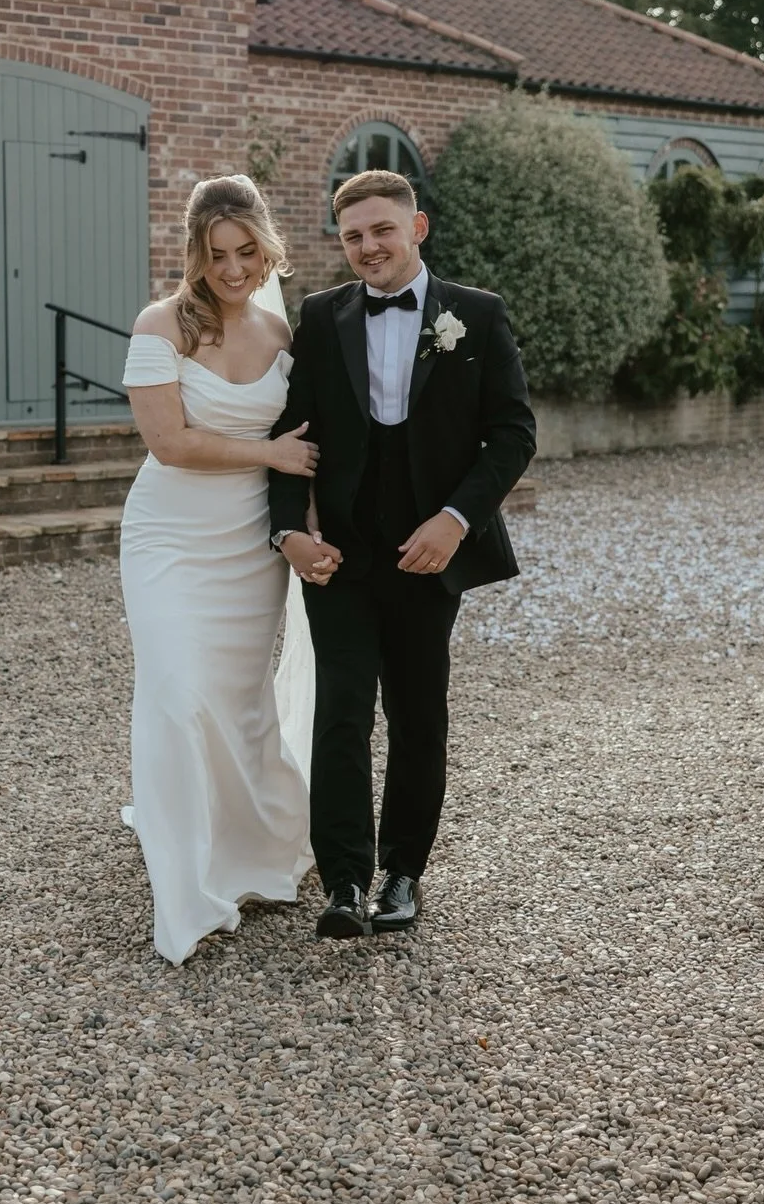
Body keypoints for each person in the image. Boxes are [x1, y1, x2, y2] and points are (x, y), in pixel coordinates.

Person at [268, 169, 537, 939]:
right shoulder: (320, 317)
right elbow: (297, 437)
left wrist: (455, 519)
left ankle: (403, 875)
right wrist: (290, 533)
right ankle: (345, 881)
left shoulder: (476, 316)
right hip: (341, 558)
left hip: (429, 553)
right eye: (352, 235)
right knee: (341, 715)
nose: (367, 247)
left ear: (416, 229)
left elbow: (513, 432)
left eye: (382, 230)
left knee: (419, 714)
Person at [119, 176, 330, 965]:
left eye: (246, 252)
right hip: (169, 537)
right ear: (196, 254)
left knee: (239, 702)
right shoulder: (160, 325)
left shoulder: (284, 334)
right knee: (176, 692)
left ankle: (260, 842)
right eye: (217, 255)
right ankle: (186, 877)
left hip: (250, 544)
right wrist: (266, 450)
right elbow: (169, 443)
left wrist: (308, 528)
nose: (233, 269)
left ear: (266, 247)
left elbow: (314, 445)